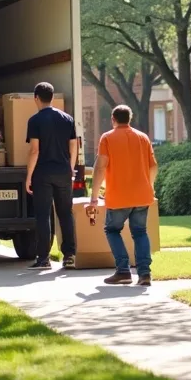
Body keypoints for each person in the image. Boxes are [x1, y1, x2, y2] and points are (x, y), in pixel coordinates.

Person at [88, 104, 158, 286]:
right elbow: (153, 166)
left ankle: (123, 271)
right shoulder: (143, 137)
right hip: (142, 195)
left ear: (113, 119)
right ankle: (145, 274)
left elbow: (100, 167)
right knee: (140, 232)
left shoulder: (107, 138)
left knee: (112, 230)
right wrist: (150, 187)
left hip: (118, 196)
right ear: (130, 118)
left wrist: (94, 197)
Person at [25, 82, 79, 270]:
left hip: (43, 173)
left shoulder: (35, 121)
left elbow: (34, 151)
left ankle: (43, 259)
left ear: (36, 98)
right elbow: (74, 146)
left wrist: (29, 176)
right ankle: (69, 256)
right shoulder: (68, 119)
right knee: (65, 214)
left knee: (43, 216)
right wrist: (70, 168)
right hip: (64, 172)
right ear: (52, 97)